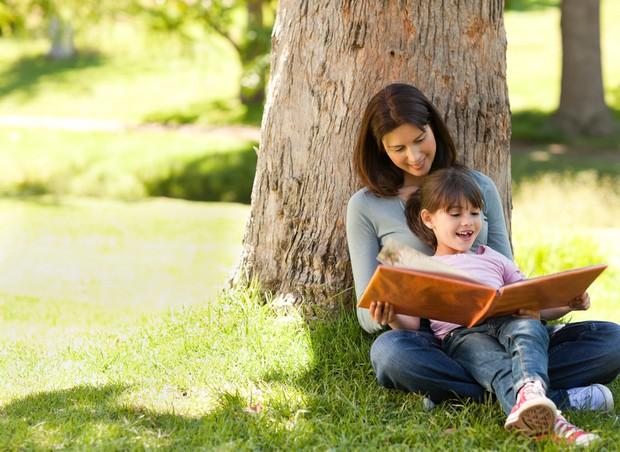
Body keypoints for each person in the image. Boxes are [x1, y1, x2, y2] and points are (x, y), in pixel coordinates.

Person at [346, 83, 620, 427]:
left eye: (420, 139)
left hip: (504, 329)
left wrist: (555, 301)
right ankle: (550, 396)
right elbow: (366, 311)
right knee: (390, 355)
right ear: (380, 149)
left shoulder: (477, 186)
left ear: (435, 128)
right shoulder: (366, 205)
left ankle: (462, 395)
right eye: (398, 148)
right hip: (438, 340)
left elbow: (506, 271)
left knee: (612, 340)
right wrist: (387, 312)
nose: (414, 156)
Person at [403, 166, 598, 444]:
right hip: (464, 335)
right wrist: (391, 315)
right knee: (497, 366)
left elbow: (534, 302)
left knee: (529, 325)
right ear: (429, 219)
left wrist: (568, 305)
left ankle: (530, 391)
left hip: (510, 319)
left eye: (474, 213)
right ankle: (558, 421)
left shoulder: (492, 257)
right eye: (455, 214)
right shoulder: (424, 270)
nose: (467, 222)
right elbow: (409, 325)